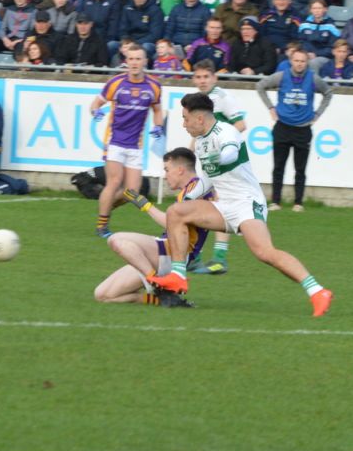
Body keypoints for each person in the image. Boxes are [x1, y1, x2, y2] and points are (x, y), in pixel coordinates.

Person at [127, 93, 333, 318]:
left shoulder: (226, 131)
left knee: (265, 253)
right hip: (224, 205)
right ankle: (178, 276)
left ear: (199, 119)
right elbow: (206, 180)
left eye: (186, 119)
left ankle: (318, 291)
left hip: (247, 203)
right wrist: (187, 199)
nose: (183, 124)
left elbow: (229, 154)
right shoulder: (202, 141)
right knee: (176, 212)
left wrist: (216, 157)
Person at [94, 146, 208, 308]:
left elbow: (174, 225)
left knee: (115, 240)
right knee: (103, 295)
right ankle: (162, 298)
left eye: (167, 170)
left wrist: (145, 205)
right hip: (162, 254)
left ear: (181, 170)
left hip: (172, 253)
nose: (165, 175)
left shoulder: (195, 190)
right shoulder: (191, 190)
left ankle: (157, 284)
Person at [89, 44, 164, 237]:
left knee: (133, 192)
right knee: (114, 182)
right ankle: (102, 226)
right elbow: (96, 103)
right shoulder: (116, 83)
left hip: (136, 145)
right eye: (131, 59)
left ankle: (106, 206)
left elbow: (157, 109)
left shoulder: (154, 86)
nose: (134, 63)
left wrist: (158, 126)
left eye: (138, 59)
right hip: (114, 141)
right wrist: (95, 112)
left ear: (145, 61)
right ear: (126, 61)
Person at [256, 48, 334, 213]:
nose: (299, 64)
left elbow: (328, 93)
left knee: (300, 169)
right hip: (282, 127)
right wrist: (270, 107)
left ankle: (298, 203)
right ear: (291, 61)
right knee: (278, 167)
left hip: (303, 129)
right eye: (296, 60)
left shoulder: (313, 78)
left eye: (302, 61)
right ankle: (275, 201)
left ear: (307, 62)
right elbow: (260, 86)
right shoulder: (282, 76)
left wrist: (317, 114)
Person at [188, 59, 247, 275]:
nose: (202, 80)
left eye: (206, 76)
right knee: (196, 205)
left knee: (220, 205)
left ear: (215, 77)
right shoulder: (197, 101)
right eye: (199, 77)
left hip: (221, 164)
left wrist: (221, 147)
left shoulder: (223, 98)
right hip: (205, 161)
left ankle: (219, 258)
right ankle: (193, 256)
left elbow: (241, 125)